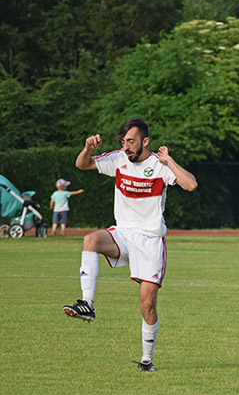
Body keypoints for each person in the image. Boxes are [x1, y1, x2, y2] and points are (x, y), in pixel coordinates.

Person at [62, 118, 198, 372]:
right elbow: (82, 165)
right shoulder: (119, 159)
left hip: (150, 240)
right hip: (123, 233)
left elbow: (190, 184)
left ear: (145, 142)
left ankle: (147, 359)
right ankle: (87, 304)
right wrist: (87, 148)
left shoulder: (159, 166)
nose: (126, 147)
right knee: (91, 239)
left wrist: (168, 161)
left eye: (131, 141)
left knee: (147, 304)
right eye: (124, 142)